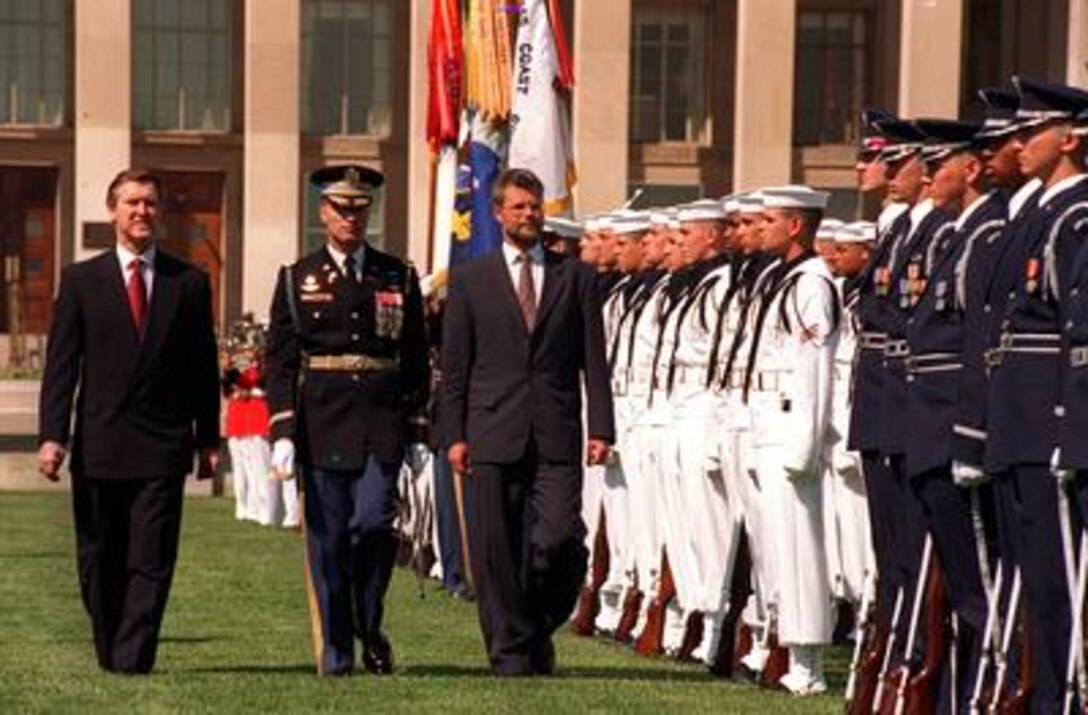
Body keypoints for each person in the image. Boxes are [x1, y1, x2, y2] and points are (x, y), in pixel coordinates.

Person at [37, 167, 220, 674]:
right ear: (113, 210)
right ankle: (110, 648)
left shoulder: (189, 283)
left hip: (162, 445)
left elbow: (202, 368)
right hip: (99, 443)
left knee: (151, 557)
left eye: (151, 204)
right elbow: (62, 366)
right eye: (133, 203)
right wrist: (53, 436)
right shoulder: (81, 281)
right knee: (100, 557)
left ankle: (133, 658)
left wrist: (209, 438)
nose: (142, 212)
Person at [440, 168, 615, 676]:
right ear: (497, 214)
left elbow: (594, 361)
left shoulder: (576, 277)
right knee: (497, 553)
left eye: (535, 206)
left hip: (557, 431)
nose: (529, 214)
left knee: (558, 539)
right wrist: (453, 434)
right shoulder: (472, 280)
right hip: (490, 432)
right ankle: (511, 651)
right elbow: (456, 368)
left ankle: (537, 626)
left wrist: (601, 428)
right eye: (518, 207)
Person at [264, 164, 429, 677]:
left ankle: (367, 622)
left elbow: (417, 356)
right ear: (323, 213)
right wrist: (284, 430)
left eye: (359, 209)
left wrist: (419, 428)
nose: (351, 218)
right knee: (330, 539)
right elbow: (281, 360)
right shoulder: (297, 278)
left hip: (382, 422)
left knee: (374, 527)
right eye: (341, 209)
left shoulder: (396, 275)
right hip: (322, 423)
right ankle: (338, 649)